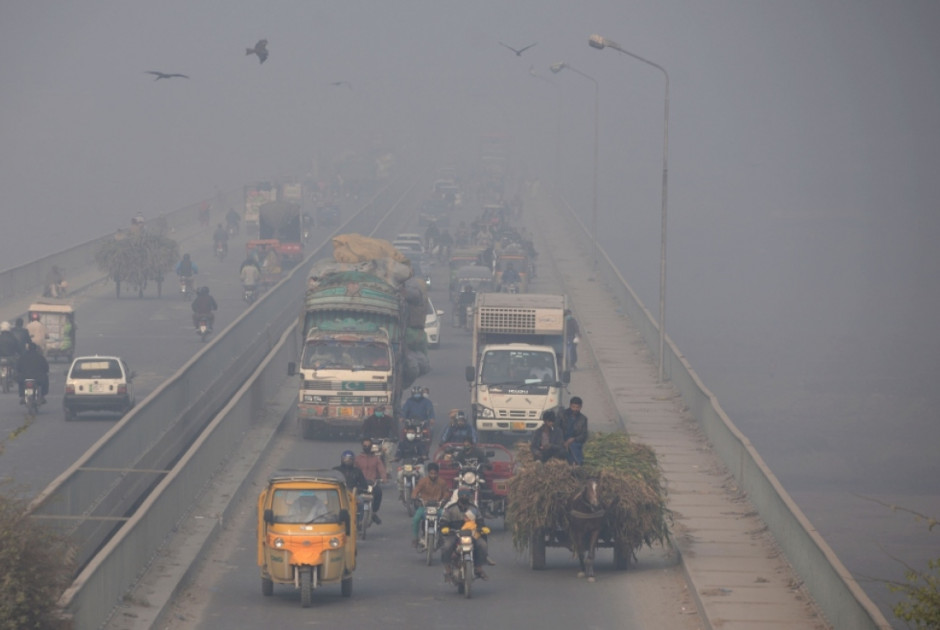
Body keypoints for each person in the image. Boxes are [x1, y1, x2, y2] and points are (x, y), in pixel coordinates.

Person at [440, 488, 489, 581]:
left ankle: (479, 568)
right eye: (462, 495)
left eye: (466, 495)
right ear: (459, 496)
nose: (464, 497)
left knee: (483, 545)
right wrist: (445, 527)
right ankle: (448, 570)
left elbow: (480, 520)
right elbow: (444, 520)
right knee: (446, 546)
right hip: (454, 534)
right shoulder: (451, 508)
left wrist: (483, 527)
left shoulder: (474, 508)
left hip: (471, 534)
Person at [410, 462, 450, 547]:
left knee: (446, 518)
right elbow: (416, 490)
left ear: (437, 473)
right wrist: (414, 497)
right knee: (416, 519)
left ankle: (443, 537)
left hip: (437, 507)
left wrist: (444, 499)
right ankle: (415, 538)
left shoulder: (442, 482)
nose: (433, 475)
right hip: (424, 506)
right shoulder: (423, 481)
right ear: (428, 473)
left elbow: (446, 493)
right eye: (431, 473)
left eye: (435, 473)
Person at [355, 438, 386, 524]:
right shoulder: (358, 459)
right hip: (360, 483)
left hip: (372, 483)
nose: (367, 447)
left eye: (369, 446)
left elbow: (381, 469)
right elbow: (354, 469)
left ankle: (374, 513)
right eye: (365, 446)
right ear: (362, 446)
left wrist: (384, 478)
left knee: (379, 492)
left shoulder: (376, 459)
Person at [559, 396, 588, 466]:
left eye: (577, 407)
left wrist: (573, 439)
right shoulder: (562, 415)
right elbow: (557, 429)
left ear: (581, 407)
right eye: (573, 407)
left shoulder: (583, 419)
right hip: (561, 439)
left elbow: (584, 435)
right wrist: (563, 441)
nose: (575, 409)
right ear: (570, 405)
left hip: (574, 442)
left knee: (574, 447)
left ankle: (577, 464)